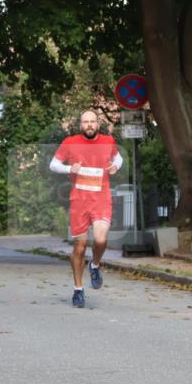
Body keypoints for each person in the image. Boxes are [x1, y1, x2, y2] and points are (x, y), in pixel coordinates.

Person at [50, 110, 122, 308]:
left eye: (92, 121)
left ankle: (95, 265)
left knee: (100, 239)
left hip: (101, 198)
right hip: (79, 201)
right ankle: (78, 290)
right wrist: (68, 169)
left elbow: (118, 159)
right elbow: (53, 164)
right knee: (79, 248)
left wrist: (116, 167)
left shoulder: (108, 141)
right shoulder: (70, 142)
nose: (89, 125)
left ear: (98, 124)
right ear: (80, 125)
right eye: (85, 122)